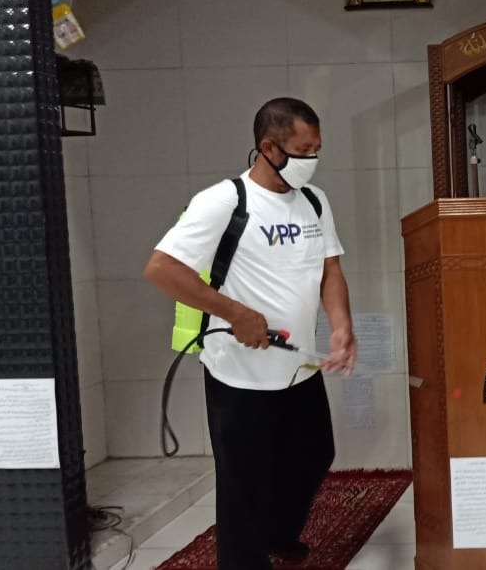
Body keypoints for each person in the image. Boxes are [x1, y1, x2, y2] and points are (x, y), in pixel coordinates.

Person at [144, 97, 356, 570]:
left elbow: (331, 271)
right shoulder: (225, 201)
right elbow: (161, 269)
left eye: (317, 149)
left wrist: (342, 327)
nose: (312, 160)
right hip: (238, 372)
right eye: (303, 149)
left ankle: (279, 535)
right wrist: (234, 312)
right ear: (269, 147)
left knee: (315, 454)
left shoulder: (315, 201)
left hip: (298, 366)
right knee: (243, 484)